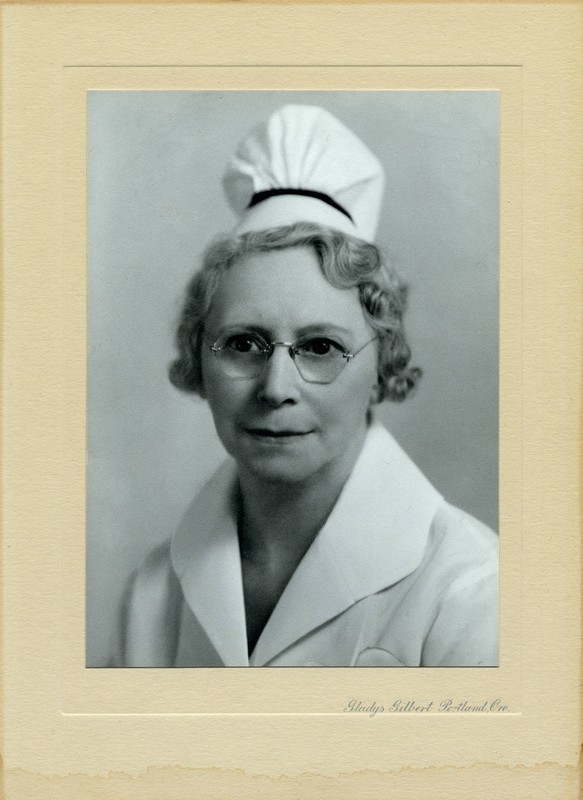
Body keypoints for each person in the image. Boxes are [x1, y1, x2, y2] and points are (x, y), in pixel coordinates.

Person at [113, 105, 498, 668]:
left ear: (380, 367)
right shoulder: (152, 592)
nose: (275, 387)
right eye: (244, 343)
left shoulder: (473, 595)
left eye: (321, 347)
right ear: (199, 356)